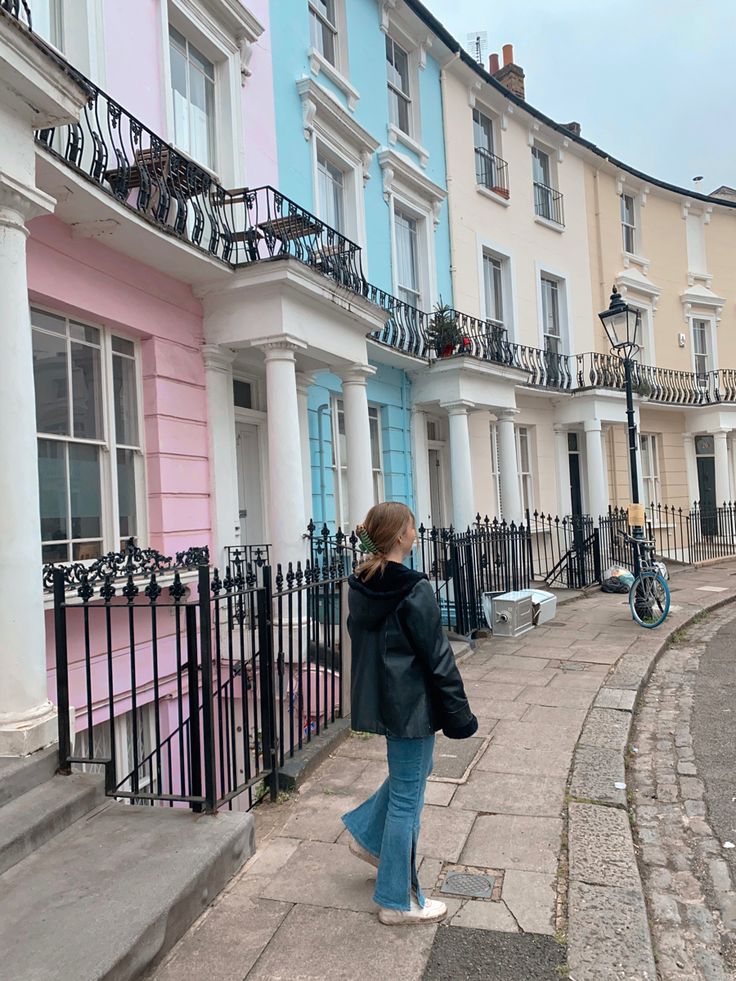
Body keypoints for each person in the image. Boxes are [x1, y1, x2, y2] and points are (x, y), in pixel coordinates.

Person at [341, 501, 478, 926]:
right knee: (407, 799)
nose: (417, 533)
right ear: (401, 535)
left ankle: (368, 837)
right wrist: (459, 713)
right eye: (413, 527)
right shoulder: (413, 588)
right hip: (412, 706)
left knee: (411, 776)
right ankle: (398, 901)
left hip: (387, 702)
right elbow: (438, 657)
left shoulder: (364, 583)